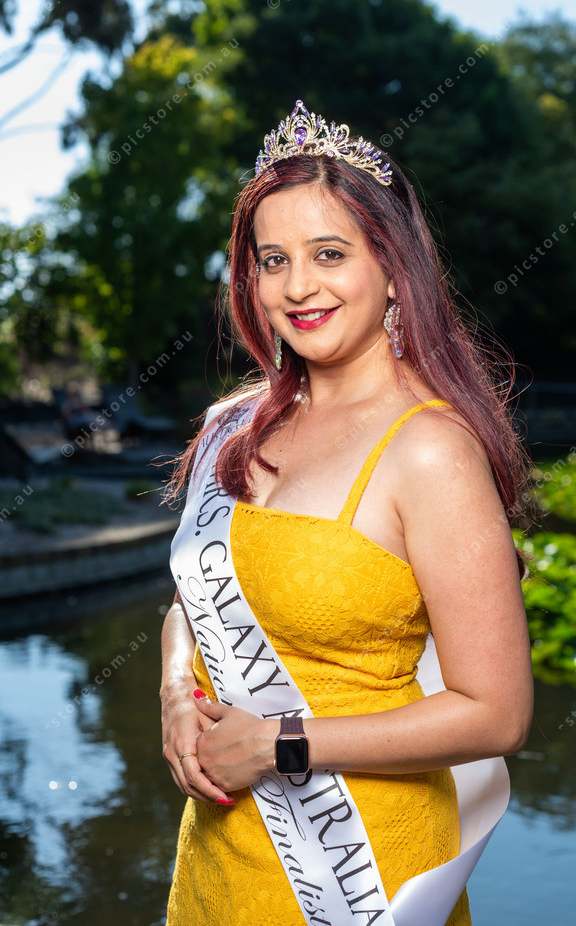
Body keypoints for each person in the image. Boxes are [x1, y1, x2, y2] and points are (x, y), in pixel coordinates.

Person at [161, 99, 534, 926]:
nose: (298, 286)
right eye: (273, 260)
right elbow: (191, 601)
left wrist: (281, 742)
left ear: (393, 267)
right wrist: (173, 690)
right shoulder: (233, 425)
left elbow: (498, 712)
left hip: (361, 872)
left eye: (329, 253)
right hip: (217, 859)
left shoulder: (429, 450)